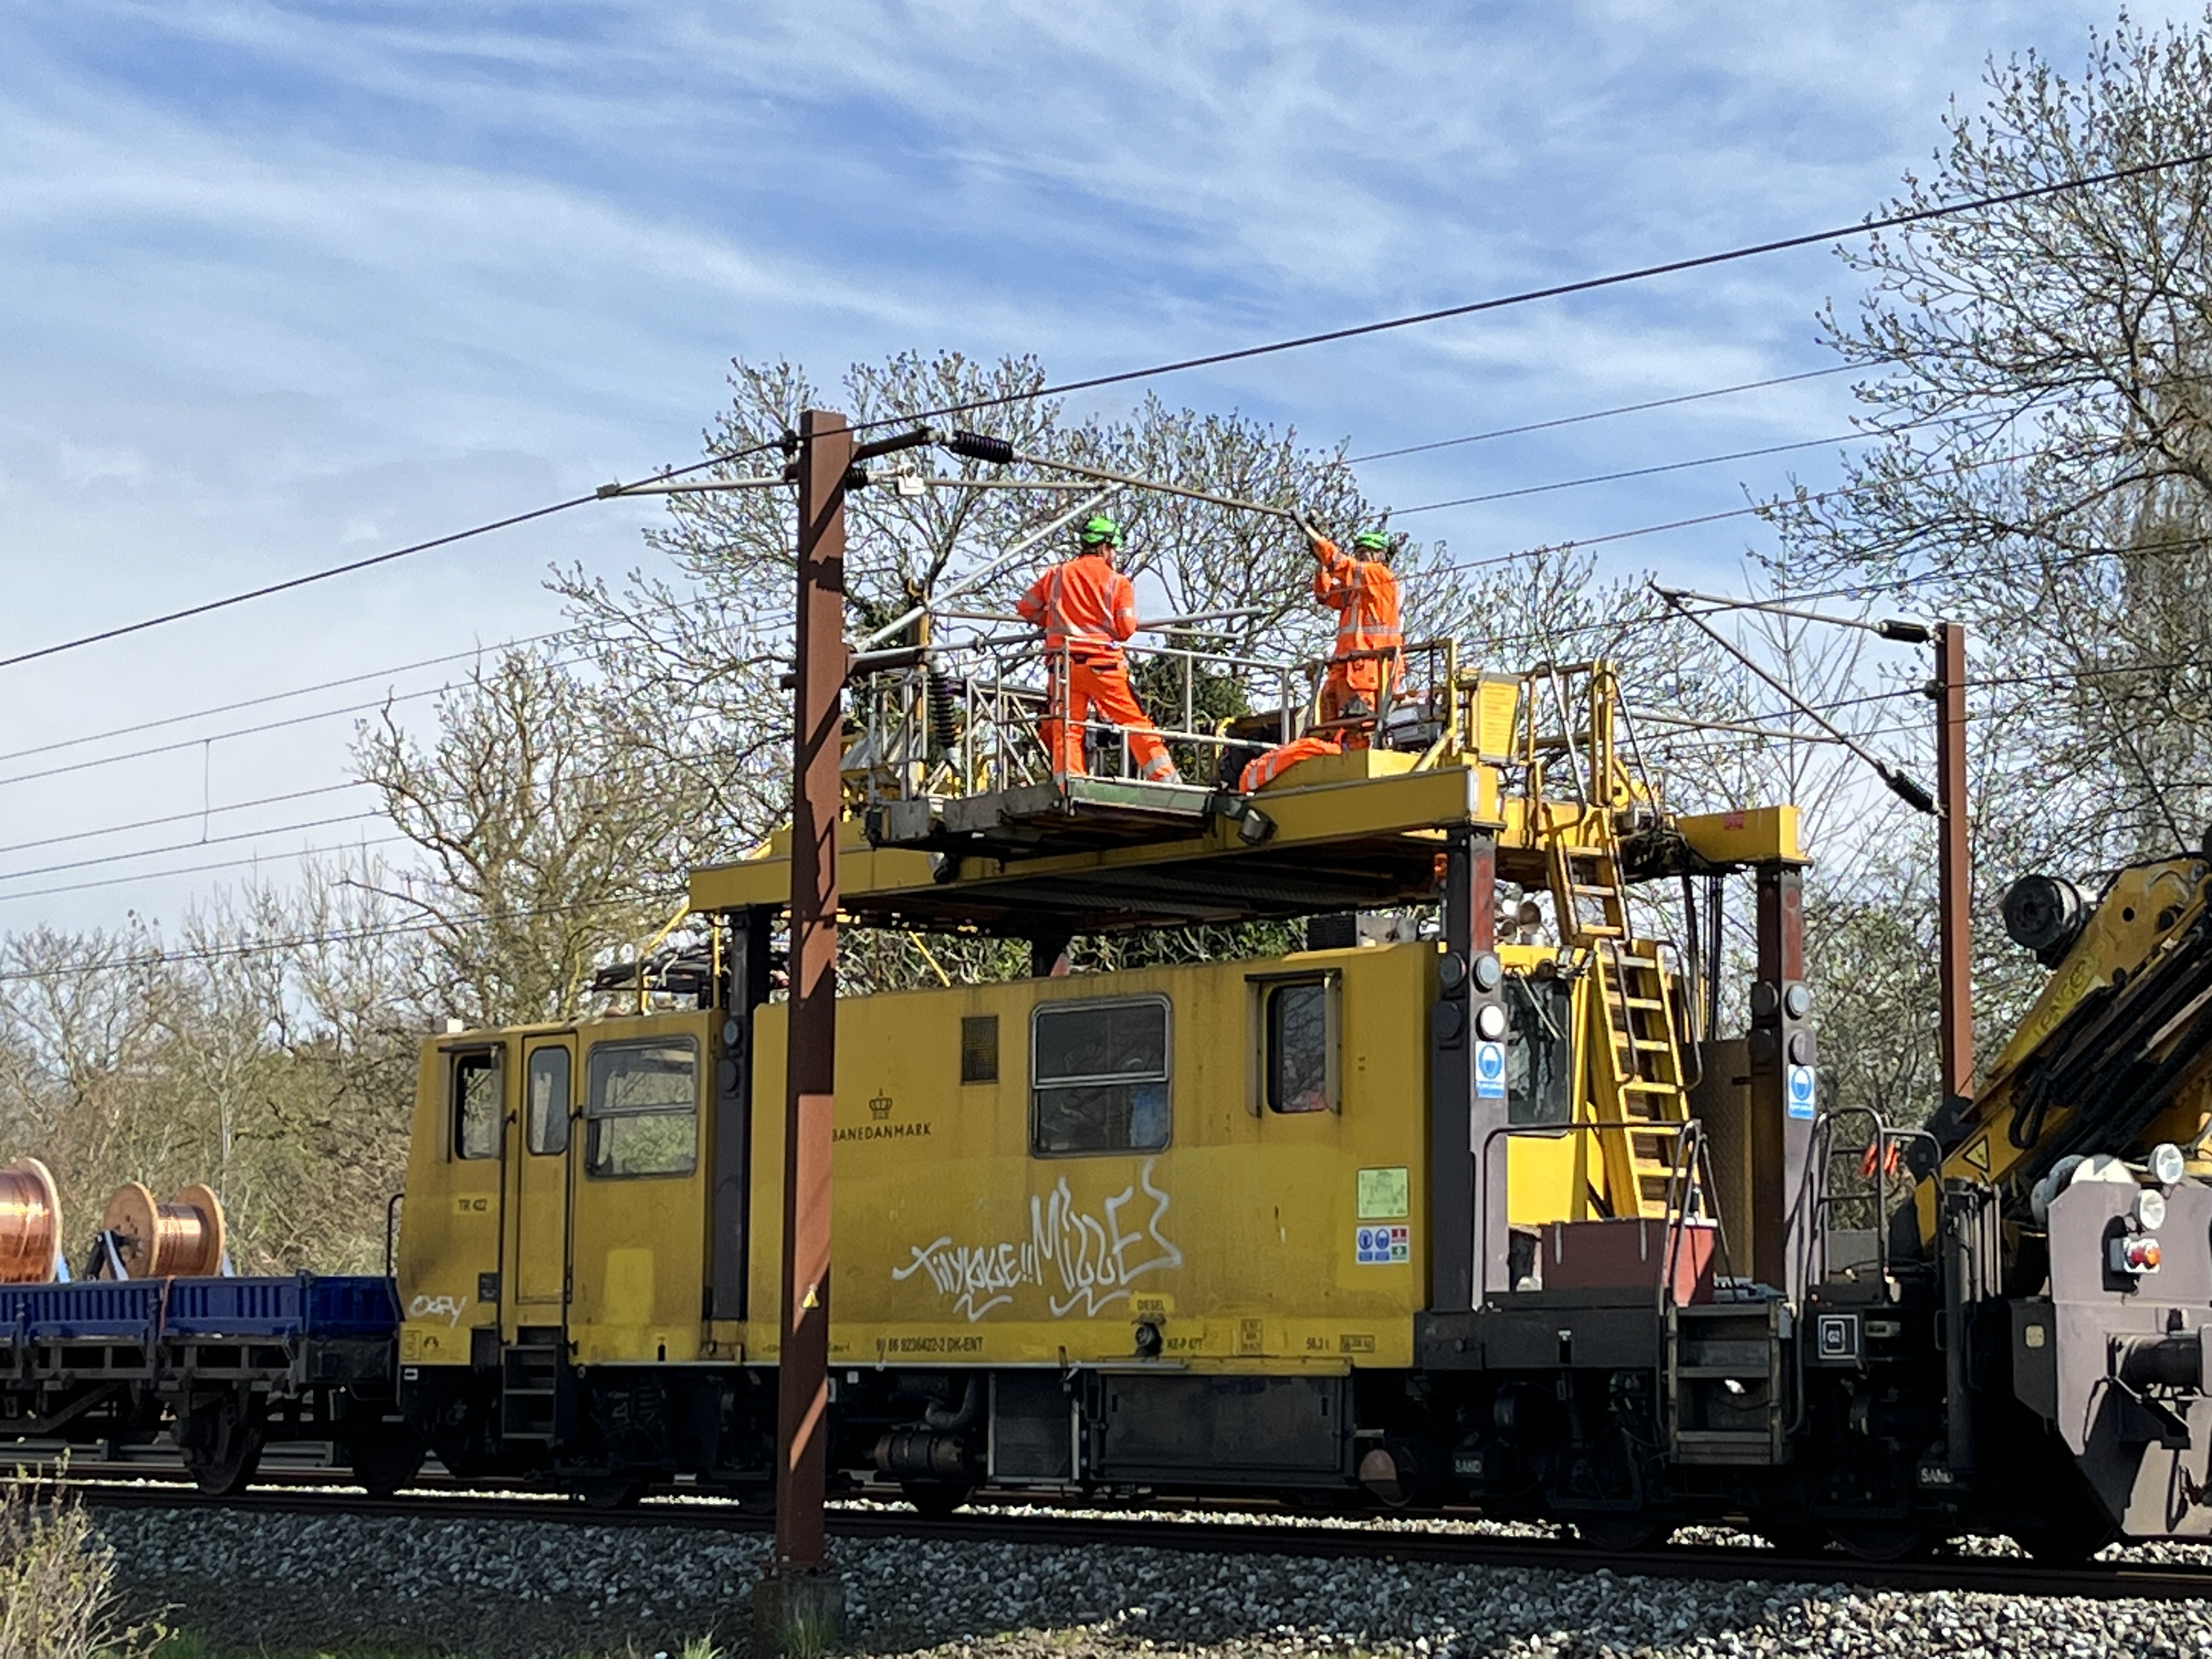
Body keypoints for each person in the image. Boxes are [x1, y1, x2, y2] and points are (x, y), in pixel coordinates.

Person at [1015, 516, 1181, 783]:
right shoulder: (1118, 582)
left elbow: (1026, 608)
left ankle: (1069, 781)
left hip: (1063, 666)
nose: (1114, 555)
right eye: (1113, 549)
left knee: (1067, 726)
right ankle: (1165, 778)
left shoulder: (1056, 575)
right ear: (1105, 547)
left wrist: (1052, 620)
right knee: (1134, 722)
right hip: (1103, 666)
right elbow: (1126, 629)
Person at [1306, 524, 1404, 741]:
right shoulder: (1356, 592)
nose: (1359, 559)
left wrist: (1319, 542)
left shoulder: (1380, 576)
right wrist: (1321, 564)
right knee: (1333, 732)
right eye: (1357, 553)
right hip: (1346, 670)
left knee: (1359, 732)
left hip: (1369, 673)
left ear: (1379, 556)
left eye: (1363, 553)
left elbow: (1343, 565)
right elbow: (1325, 595)